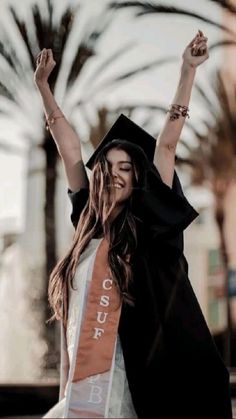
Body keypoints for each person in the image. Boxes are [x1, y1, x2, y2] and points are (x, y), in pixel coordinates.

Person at [34, 30, 232, 418]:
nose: (116, 174)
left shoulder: (148, 230)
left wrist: (186, 72)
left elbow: (167, 145)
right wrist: (43, 87)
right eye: (107, 166)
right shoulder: (85, 229)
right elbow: (69, 147)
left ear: (138, 177)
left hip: (132, 392)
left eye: (126, 167)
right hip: (83, 393)